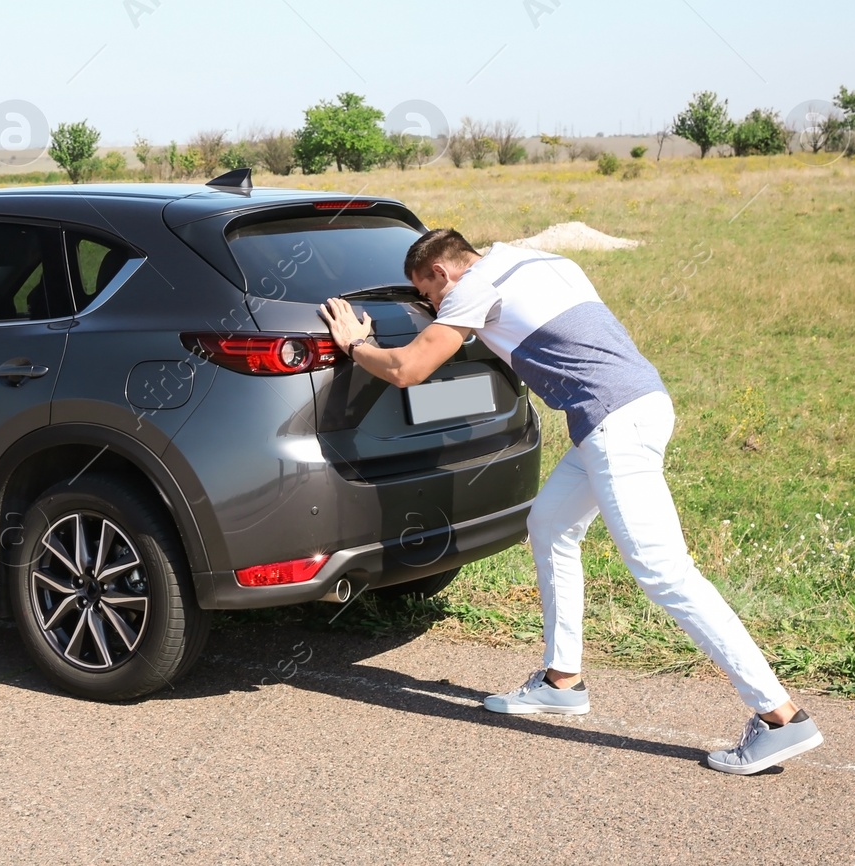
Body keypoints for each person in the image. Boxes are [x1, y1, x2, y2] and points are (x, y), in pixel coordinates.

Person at [318, 228, 823, 776]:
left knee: (664, 573)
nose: (434, 307)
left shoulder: (472, 288)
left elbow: (407, 371)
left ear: (442, 273)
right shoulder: (537, 261)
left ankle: (780, 717)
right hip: (637, 403)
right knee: (551, 522)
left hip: (612, 424)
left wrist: (355, 344)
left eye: (430, 296)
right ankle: (562, 681)